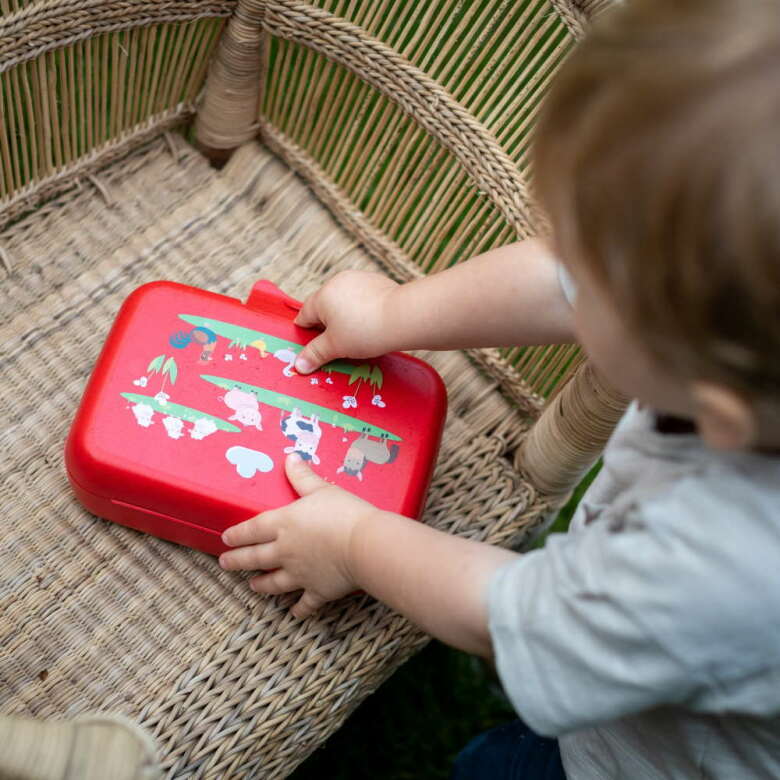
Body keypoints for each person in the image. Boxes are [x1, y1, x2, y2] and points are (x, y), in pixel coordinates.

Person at [219, 0, 780, 776]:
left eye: (595, 273)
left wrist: (354, 541)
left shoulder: (719, 568)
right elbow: (557, 282)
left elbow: (515, 618)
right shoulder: (740, 354)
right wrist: (391, 313)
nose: (571, 274)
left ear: (715, 403)